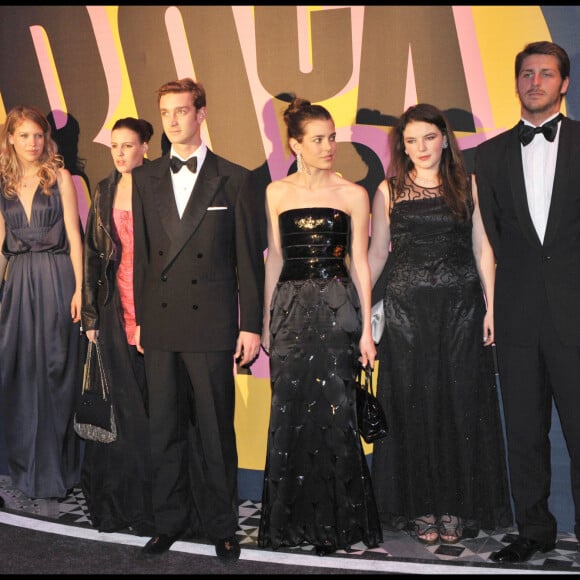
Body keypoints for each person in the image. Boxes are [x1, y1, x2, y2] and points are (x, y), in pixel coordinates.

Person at [367, 103, 513, 546]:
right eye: (411, 141)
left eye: (428, 137)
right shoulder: (388, 190)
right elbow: (376, 254)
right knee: (413, 407)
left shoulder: (468, 186)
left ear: (445, 139)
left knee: (459, 405)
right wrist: (354, 310)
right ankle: (420, 508)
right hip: (406, 313)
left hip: (462, 310)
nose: (421, 148)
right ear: (403, 146)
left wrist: (492, 307)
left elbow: (482, 248)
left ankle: (454, 506)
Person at [132, 78, 265, 562]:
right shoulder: (143, 179)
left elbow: (248, 261)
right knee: (163, 428)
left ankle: (222, 525)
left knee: (214, 431)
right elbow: (143, 258)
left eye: (181, 111)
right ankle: (168, 521)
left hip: (211, 324)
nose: (172, 120)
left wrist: (251, 324)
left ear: (202, 114)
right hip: (162, 323)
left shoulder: (235, 178)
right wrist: (141, 320)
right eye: (165, 111)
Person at [257, 97, 383, 556]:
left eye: (332, 137)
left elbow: (360, 265)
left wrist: (366, 328)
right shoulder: (276, 192)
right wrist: (265, 320)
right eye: (318, 139)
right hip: (289, 311)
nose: (329, 146)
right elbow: (274, 259)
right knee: (290, 414)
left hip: (337, 310)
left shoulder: (353, 193)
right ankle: (291, 526)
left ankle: (337, 524)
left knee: (336, 414)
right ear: (295, 144)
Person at [475, 40, 580, 564]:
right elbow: (485, 240)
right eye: (526, 74)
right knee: (523, 433)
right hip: (515, 319)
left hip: (576, 317)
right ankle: (534, 530)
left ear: (564, 84)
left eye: (546, 73)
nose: (535, 81)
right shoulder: (487, 157)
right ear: (516, 83)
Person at [0, 105, 83, 499]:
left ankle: (55, 472)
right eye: (24, 136)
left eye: (38, 135)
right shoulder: (3, 183)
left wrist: (81, 288)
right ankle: (23, 470)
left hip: (56, 278)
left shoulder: (61, 177)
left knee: (55, 372)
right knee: (20, 375)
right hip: (17, 282)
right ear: (10, 140)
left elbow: (74, 234)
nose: (32, 143)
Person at [80, 117, 155, 535]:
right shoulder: (104, 190)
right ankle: (120, 502)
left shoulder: (159, 187)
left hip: (153, 312)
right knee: (123, 409)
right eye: (115, 147)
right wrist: (90, 316)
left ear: (145, 146)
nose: (121, 153)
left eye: (129, 145)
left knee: (150, 407)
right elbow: (94, 254)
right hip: (112, 309)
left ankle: (151, 503)